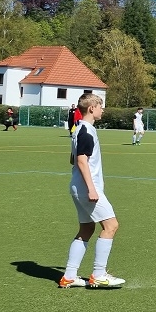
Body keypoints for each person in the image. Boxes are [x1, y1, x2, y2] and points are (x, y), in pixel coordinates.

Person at [59, 92, 125, 288]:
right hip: (87, 188)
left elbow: (73, 159)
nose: (102, 109)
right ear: (91, 108)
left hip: (77, 186)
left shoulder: (78, 130)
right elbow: (80, 161)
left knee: (87, 228)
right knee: (111, 226)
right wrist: (91, 189)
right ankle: (98, 273)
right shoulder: (86, 131)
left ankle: (69, 276)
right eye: (100, 106)